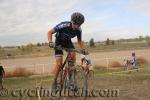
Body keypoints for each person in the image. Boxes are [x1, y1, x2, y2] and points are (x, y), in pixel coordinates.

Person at [47, 12, 88, 90]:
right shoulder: (64, 25)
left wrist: (83, 50)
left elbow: (79, 41)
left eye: (78, 25)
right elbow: (50, 32)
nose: (76, 26)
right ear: (71, 21)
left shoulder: (79, 30)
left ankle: (70, 81)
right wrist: (50, 42)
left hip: (67, 42)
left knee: (73, 57)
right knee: (59, 64)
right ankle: (54, 82)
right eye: (75, 24)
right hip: (58, 42)